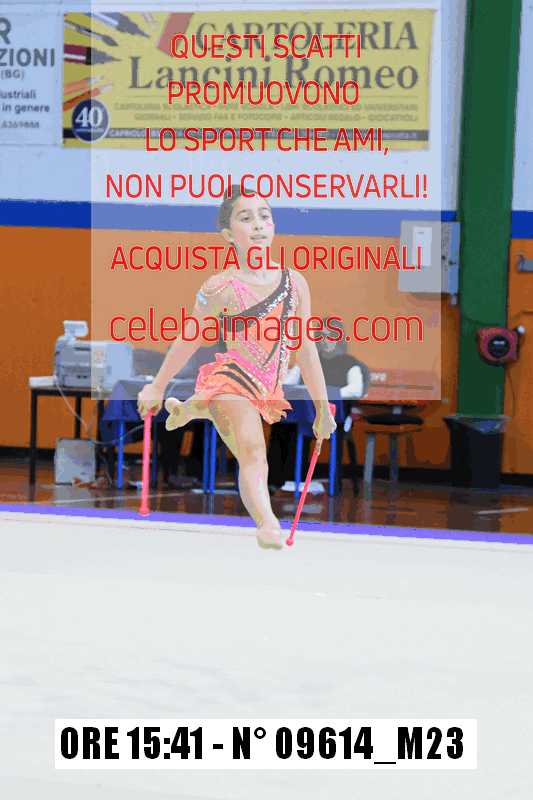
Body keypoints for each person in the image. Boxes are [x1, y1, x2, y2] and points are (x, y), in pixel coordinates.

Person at [137, 187, 336, 550]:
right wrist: (157, 385)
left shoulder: (295, 283)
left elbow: (306, 350)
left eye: (264, 215)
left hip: (267, 388)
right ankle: (267, 523)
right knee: (253, 450)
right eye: (246, 218)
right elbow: (190, 336)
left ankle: (193, 408)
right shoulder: (221, 287)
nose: (258, 224)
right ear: (228, 234)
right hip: (233, 380)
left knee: (242, 431)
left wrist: (322, 410)